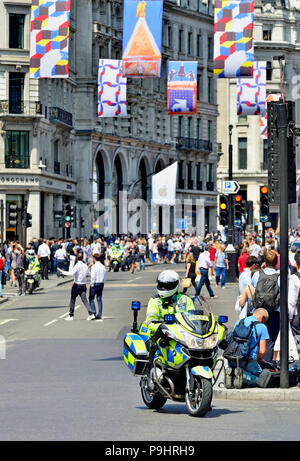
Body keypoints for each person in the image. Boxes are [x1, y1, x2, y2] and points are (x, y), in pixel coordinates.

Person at [225, 308, 271, 388]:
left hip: (232, 358)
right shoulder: (262, 327)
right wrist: (259, 359)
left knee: (240, 368)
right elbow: (262, 351)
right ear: (263, 317)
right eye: (264, 320)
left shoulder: (239, 322)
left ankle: (232, 373)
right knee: (262, 379)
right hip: (248, 360)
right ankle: (242, 375)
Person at [145, 270, 195, 336]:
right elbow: (150, 322)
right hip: (161, 336)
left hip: (183, 335)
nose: (163, 288)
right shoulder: (155, 300)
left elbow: (193, 318)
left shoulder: (185, 299)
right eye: (161, 285)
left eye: (166, 286)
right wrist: (164, 328)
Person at [251, 250, 280, 362]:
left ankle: (254, 366)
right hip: (274, 312)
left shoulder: (257, 275)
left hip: (258, 312)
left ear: (264, 261)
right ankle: (266, 369)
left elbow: (254, 290)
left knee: (256, 340)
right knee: (270, 342)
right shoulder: (279, 277)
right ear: (276, 262)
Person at [58, 252, 95, 321]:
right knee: (84, 300)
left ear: (77, 258)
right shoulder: (84, 266)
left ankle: (71, 315)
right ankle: (91, 314)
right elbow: (89, 274)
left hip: (77, 285)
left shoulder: (77, 265)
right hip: (83, 285)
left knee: (72, 299)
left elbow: (71, 273)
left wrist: (62, 271)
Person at [288, 250, 300, 358]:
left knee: (298, 339)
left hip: (298, 314)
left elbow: (291, 301)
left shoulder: (294, 278)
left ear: (296, 263)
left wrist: (289, 317)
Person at [89, 253, 106, 320]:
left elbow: (93, 276)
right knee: (99, 298)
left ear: (94, 259)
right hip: (101, 283)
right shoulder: (102, 266)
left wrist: (91, 284)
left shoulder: (94, 266)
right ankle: (100, 313)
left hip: (95, 283)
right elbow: (104, 275)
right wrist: (103, 281)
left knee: (91, 298)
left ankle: (93, 311)